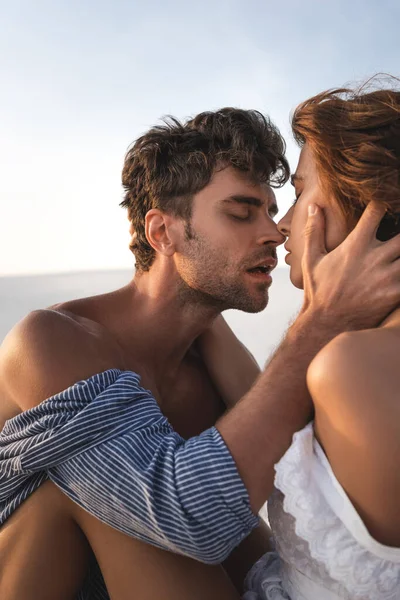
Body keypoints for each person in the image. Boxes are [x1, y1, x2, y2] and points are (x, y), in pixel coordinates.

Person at [1, 106, 400, 600]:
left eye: (274, 211)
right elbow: (185, 520)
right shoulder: (49, 340)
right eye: (240, 212)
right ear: (162, 232)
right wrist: (323, 321)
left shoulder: (212, 350)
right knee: (95, 496)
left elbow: (291, 471)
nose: (275, 233)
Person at [210, 81, 400, 599]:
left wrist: (320, 318)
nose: (283, 226)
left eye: (298, 193)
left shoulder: (353, 370)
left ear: (369, 201)